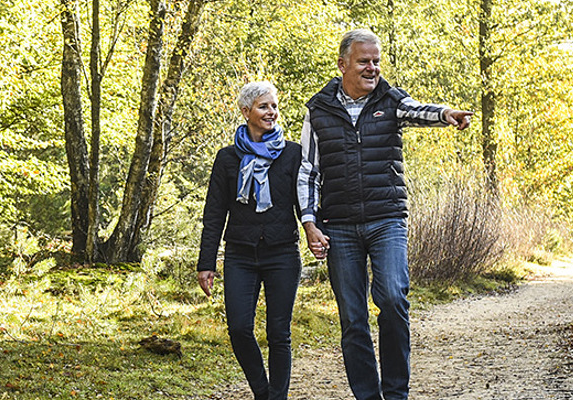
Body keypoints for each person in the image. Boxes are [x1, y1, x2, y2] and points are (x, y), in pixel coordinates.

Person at [299, 29, 472, 400]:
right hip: (339, 225)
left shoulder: (389, 100)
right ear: (343, 64)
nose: (372, 68)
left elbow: (418, 110)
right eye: (364, 61)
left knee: (393, 298)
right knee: (352, 318)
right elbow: (308, 172)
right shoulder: (318, 111)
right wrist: (310, 223)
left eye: (376, 61)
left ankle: (396, 394)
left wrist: (446, 114)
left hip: (386, 218)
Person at [197, 80, 314, 400]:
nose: (271, 112)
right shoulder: (227, 159)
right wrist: (206, 263)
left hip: (282, 253)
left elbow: (305, 201)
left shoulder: (293, 154)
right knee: (238, 329)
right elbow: (214, 213)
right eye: (264, 106)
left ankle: (277, 397)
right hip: (240, 254)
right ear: (246, 111)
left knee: (279, 333)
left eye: (274, 106)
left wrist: (314, 230)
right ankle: (264, 393)